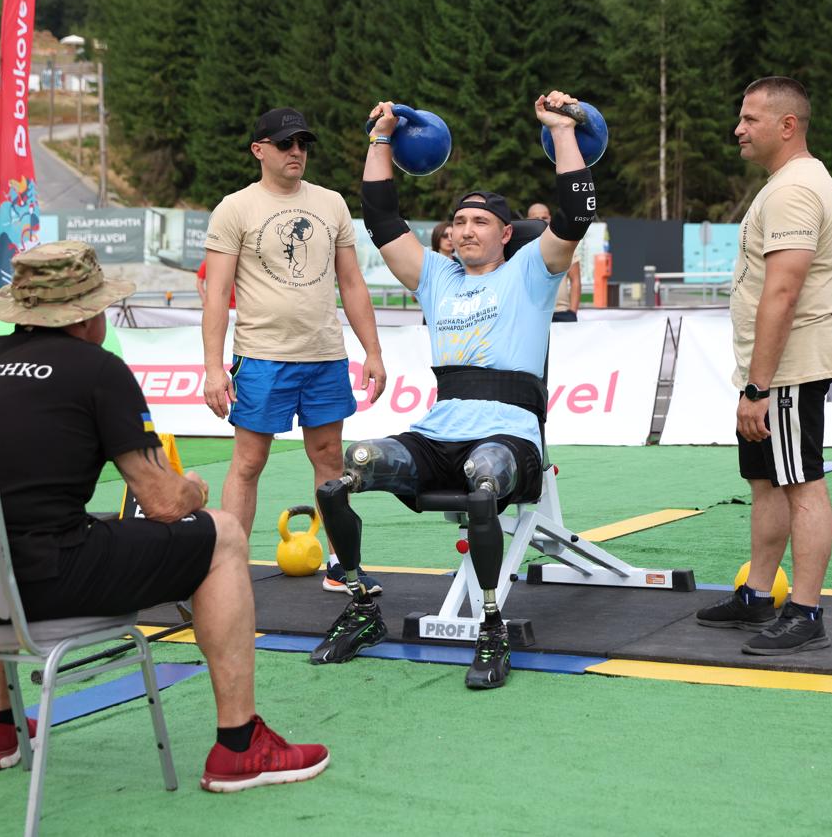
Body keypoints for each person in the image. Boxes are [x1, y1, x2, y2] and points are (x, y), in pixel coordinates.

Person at [0, 241, 328, 791]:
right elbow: (162, 503)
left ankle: (1, 724)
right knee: (223, 535)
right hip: (43, 587)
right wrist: (192, 489)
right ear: (87, 315)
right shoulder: (97, 369)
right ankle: (239, 744)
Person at [308, 91, 596, 690]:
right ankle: (361, 606)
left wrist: (562, 130)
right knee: (346, 471)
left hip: (508, 436)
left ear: (507, 233)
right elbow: (380, 215)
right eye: (459, 221)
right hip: (439, 431)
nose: (465, 230)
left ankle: (491, 627)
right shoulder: (435, 275)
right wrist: (380, 137)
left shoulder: (533, 270)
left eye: (480, 222)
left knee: (483, 477)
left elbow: (575, 213)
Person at [695, 77, 832, 655]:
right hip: (772, 370)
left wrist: (758, 387)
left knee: (801, 484)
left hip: (787, 369)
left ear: (788, 125)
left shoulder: (795, 189)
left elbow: (783, 293)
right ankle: (757, 595)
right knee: (766, 481)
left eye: (750, 119)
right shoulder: (786, 184)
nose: (738, 129)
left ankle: (806, 612)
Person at [200, 107, 387, 595]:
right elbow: (216, 294)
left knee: (330, 459)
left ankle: (342, 566)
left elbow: (352, 282)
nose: (296, 151)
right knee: (248, 462)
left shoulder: (331, 203)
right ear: (259, 150)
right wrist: (213, 368)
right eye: (285, 143)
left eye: (303, 143)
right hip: (261, 356)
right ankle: (229, 571)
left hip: (324, 356)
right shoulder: (234, 208)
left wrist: (373, 351)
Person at [525, 202, 583, 322]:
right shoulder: (521, 247)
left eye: (544, 217)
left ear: (550, 218)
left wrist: (572, 312)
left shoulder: (564, 244)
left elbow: (575, 280)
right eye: (536, 218)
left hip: (562, 312)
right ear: (527, 220)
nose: (541, 221)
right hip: (531, 313)